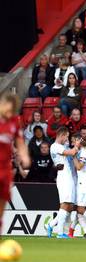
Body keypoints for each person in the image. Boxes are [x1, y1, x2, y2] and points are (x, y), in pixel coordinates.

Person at [0, 94, 30, 240]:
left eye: (12, 110)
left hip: (5, 169)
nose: (9, 112)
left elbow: (19, 142)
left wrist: (24, 156)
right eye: (8, 108)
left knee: (2, 202)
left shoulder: (14, 122)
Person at [47, 127, 79, 238]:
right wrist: (77, 144)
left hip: (67, 176)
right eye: (66, 136)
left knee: (69, 206)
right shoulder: (56, 146)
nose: (67, 139)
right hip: (64, 177)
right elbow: (72, 152)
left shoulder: (60, 146)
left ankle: (51, 225)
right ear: (62, 135)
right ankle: (60, 233)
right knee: (65, 204)